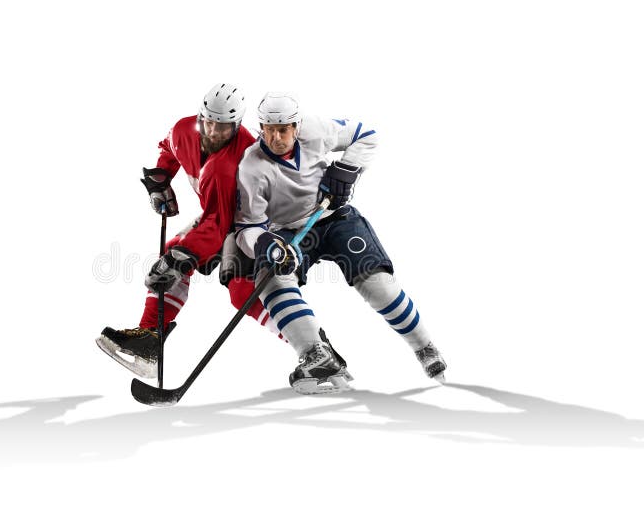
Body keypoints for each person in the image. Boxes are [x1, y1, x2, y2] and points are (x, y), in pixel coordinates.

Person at [234, 91, 447, 395]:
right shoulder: (251, 167)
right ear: (261, 128)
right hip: (288, 232)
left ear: (296, 126)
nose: (276, 137)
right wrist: (265, 243)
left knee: (379, 286)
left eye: (283, 130)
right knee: (272, 283)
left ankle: (424, 346)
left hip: (335, 219)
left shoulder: (317, 130)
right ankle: (315, 353)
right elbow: (247, 226)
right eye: (269, 130)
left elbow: (367, 135)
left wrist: (347, 169)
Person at [96, 83, 284, 378]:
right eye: (208, 121)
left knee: (241, 293)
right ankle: (150, 340)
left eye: (223, 127)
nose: (213, 131)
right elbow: (169, 148)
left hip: (254, 223)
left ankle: (312, 346)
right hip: (218, 215)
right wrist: (162, 180)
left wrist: (183, 256)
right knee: (173, 254)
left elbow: (218, 223)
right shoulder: (184, 129)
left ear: (236, 126)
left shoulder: (235, 161)